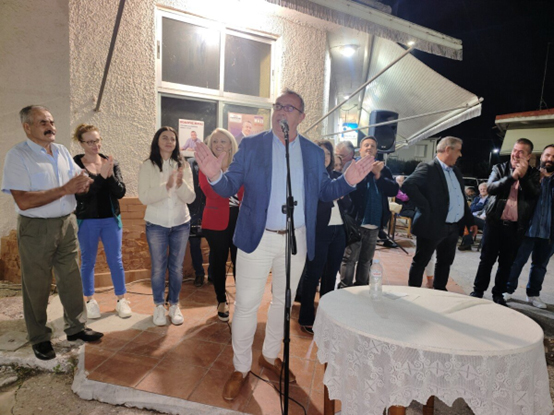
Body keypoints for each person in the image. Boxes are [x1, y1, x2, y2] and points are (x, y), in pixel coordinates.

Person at [194, 88, 375, 401]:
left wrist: (348, 181)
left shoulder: (312, 153)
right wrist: (214, 176)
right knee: (247, 304)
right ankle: (240, 367)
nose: (280, 111)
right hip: (257, 238)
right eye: (278, 106)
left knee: (283, 302)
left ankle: (269, 355)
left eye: (289, 108)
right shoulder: (252, 145)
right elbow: (229, 185)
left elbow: (324, 191)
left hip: (296, 239)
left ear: (301, 117)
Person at [2, 105, 103, 360]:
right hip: (36, 228)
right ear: (27, 127)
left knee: (71, 278)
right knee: (37, 284)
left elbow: (75, 181)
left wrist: (83, 184)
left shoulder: (61, 151)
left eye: (52, 121)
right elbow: (23, 200)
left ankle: (76, 327)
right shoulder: (18, 155)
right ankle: (39, 337)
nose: (51, 127)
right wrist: (66, 189)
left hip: (67, 223)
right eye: (43, 122)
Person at [470, 138, 540, 305]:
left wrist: (522, 176)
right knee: (486, 259)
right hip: (494, 223)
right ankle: (478, 290)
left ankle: (498, 294)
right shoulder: (499, 168)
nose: (516, 154)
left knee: (506, 263)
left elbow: (533, 194)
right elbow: (491, 188)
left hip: (515, 227)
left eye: (521, 152)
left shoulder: (534, 174)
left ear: (529, 156)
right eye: (514, 150)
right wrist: (512, 177)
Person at [72, 124, 131, 319]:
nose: (95, 145)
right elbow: (82, 196)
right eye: (89, 142)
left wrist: (109, 176)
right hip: (87, 220)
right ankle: (90, 301)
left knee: (116, 260)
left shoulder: (110, 162)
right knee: (88, 261)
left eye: (97, 140)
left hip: (111, 219)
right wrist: (100, 178)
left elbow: (120, 192)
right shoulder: (76, 165)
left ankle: (121, 300)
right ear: (81, 143)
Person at [138, 126, 196, 326]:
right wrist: (167, 186)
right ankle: (158, 306)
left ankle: (174, 305)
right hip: (156, 224)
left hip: (181, 223)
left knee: (177, 268)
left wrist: (179, 185)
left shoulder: (183, 165)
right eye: (165, 138)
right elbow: (144, 197)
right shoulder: (148, 165)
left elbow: (191, 197)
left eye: (173, 138)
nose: (169, 141)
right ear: (157, 141)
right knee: (158, 268)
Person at [403, 136, 477, 290]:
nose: (460, 154)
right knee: (421, 262)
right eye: (458, 150)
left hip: (452, 227)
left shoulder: (455, 171)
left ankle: (440, 291)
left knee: (445, 262)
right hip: (432, 225)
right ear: (448, 149)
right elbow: (408, 185)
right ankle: (413, 294)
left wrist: (470, 221)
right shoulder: (428, 168)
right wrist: (426, 207)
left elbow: (461, 199)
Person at [298, 139, 348, 334]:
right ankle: (306, 317)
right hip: (319, 231)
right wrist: (330, 196)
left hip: (339, 231)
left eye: (327, 153)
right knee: (313, 274)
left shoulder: (337, 176)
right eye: (320, 153)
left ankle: (327, 316)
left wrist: (341, 197)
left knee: (331, 275)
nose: (324, 157)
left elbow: (349, 205)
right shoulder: (308, 178)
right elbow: (309, 208)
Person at [339, 136, 399, 288]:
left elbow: (393, 190)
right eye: (366, 145)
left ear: (376, 151)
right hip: (355, 221)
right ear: (360, 149)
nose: (369, 148)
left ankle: (361, 287)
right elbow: (347, 189)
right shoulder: (352, 165)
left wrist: (378, 175)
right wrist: (365, 171)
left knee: (366, 260)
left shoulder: (383, 169)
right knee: (349, 258)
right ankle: (345, 288)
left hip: (374, 223)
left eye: (372, 146)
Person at [199, 128, 243, 322]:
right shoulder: (206, 165)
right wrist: (217, 174)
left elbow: (245, 192)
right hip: (216, 220)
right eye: (215, 141)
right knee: (218, 261)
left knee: (240, 262)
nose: (218, 144)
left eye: (223, 141)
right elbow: (210, 192)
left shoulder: (239, 165)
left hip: (240, 219)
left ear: (231, 144)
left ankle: (242, 300)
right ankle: (221, 300)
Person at [504, 144, 554, 308]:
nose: (550, 159)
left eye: (553, 157)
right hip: (527, 230)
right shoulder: (530, 175)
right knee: (517, 262)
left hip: (548, 233)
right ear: (541, 157)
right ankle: (507, 290)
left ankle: (533, 295)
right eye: (547, 155)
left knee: (540, 266)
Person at [458, 182, 489, 251]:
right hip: (474, 217)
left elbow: (486, 209)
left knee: (467, 219)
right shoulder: (477, 198)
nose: (482, 190)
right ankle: (467, 243)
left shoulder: (490, 199)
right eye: (481, 189)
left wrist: (478, 206)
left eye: (484, 189)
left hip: (483, 219)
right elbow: (471, 208)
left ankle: (467, 243)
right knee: (467, 222)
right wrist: (480, 206)